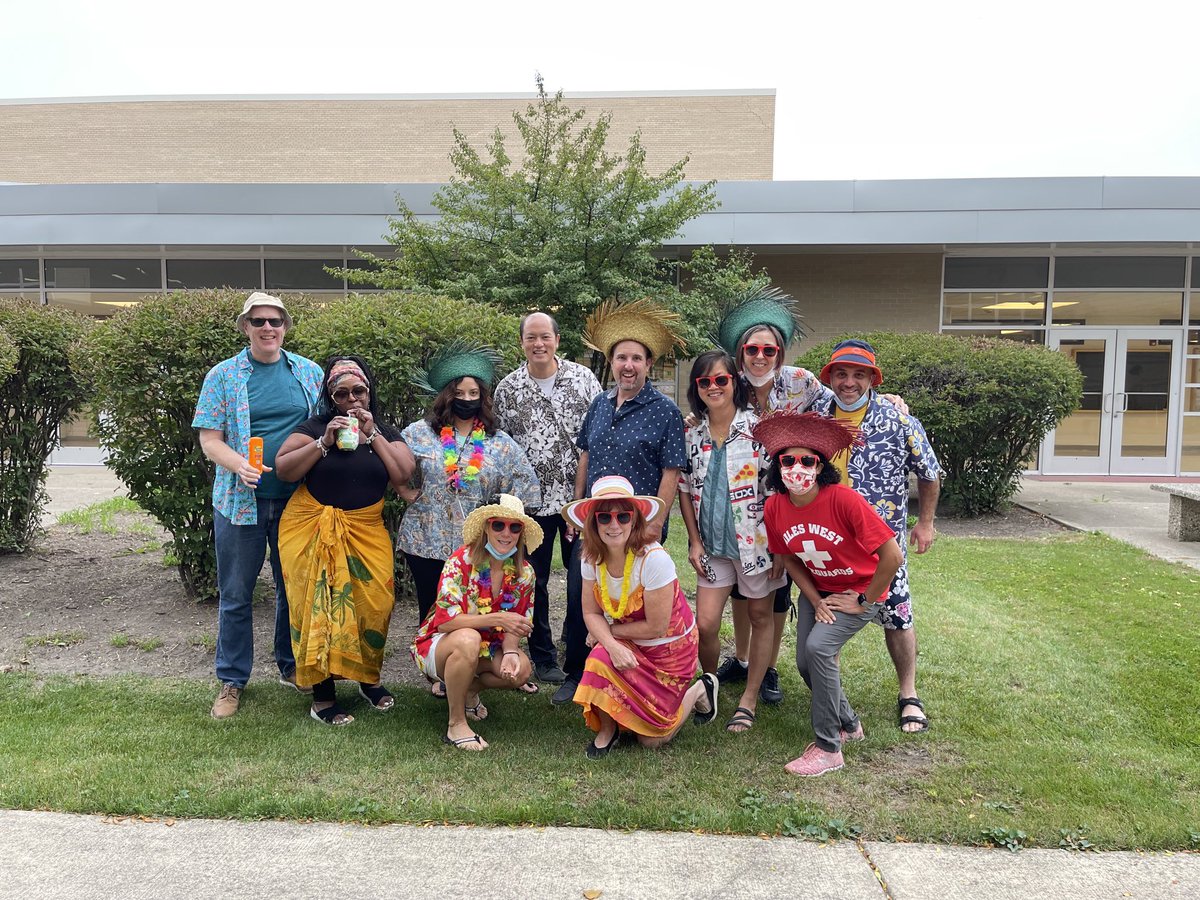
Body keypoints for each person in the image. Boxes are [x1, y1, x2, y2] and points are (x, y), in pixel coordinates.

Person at [711, 287, 907, 706]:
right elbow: (709, 410)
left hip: (792, 497)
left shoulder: (800, 382)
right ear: (741, 351)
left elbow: (843, 399)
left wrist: (885, 400)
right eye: (752, 348)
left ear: (780, 353)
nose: (760, 356)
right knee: (746, 590)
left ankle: (770, 668)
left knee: (776, 587)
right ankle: (745, 660)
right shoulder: (732, 384)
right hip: (743, 503)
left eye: (769, 349)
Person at [193, 292, 323, 720]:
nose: (268, 328)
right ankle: (231, 679)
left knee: (294, 588)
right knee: (235, 594)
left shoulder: (308, 372)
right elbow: (209, 440)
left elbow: (322, 426)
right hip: (239, 503)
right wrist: (240, 466)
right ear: (245, 327)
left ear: (285, 326)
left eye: (275, 321)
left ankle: (290, 665)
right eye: (259, 321)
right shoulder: (223, 376)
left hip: (297, 502)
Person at [752, 411, 904, 777]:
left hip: (859, 592)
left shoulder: (843, 500)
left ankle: (828, 747)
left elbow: (893, 556)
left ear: (820, 467)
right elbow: (788, 558)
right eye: (788, 460)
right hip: (819, 592)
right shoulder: (775, 507)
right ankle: (850, 723)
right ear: (778, 466)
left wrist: (865, 599)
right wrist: (815, 599)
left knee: (819, 649)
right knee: (806, 662)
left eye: (808, 460)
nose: (797, 468)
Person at [553, 299, 687, 706]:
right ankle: (578, 672)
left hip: (634, 524)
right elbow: (585, 457)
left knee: (633, 603)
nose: (628, 365)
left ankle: (638, 676)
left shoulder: (665, 411)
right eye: (621, 358)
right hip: (595, 521)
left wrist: (653, 524)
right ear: (611, 363)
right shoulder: (599, 404)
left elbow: (671, 471)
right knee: (584, 595)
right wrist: (577, 509)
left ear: (649, 364)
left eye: (636, 358)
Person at [274, 355, 414, 725]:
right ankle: (323, 697)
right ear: (331, 397)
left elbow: (404, 473)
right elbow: (284, 468)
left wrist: (373, 436)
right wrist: (324, 442)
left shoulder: (382, 429)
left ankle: (368, 680)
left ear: (369, 392)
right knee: (320, 608)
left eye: (359, 391)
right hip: (314, 529)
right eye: (342, 394)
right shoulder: (315, 426)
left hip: (365, 531)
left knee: (375, 604)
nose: (352, 399)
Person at [811, 339, 942, 732]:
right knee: (827, 615)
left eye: (858, 374)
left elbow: (929, 472)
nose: (848, 382)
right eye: (841, 373)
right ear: (830, 376)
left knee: (897, 616)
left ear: (872, 378)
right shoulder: (816, 414)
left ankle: (909, 694)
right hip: (827, 542)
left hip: (882, 543)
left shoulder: (896, 418)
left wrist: (925, 523)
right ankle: (835, 702)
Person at [397, 342, 540, 695]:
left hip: (477, 546)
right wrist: (403, 489)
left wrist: (502, 519)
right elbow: (393, 466)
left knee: (478, 610)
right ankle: (439, 677)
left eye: (474, 392)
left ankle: (474, 674)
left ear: (483, 397)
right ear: (446, 395)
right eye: (459, 392)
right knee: (434, 610)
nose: (466, 397)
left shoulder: (500, 442)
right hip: (425, 539)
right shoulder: (418, 433)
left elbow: (525, 488)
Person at [562, 476, 715, 757]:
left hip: (669, 650)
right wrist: (607, 641)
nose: (614, 524)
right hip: (630, 640)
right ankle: (609, 731)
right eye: (604, 517)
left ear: (635, 520)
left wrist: (606, 632)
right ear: (593, 522)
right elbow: (589, 611)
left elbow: (656, 627)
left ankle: (698, 691)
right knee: (599, 656)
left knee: (652, 740)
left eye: (623, 515)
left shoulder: (654, 559)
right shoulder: (589, 558)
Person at [678, 349, 785, 733]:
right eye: (704, 381)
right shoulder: (691, 432)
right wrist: (693, 541)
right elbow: (685, 490)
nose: (713, 387)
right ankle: (710, 686)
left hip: (756, 546)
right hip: (712, 548)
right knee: (705, 625)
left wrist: (780, 549)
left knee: (760, 616)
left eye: (721, 379)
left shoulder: (760, 430)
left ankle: (749, 699)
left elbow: (777, 493)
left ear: (734, 382)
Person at [493, 312, 602, 685]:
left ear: (557, 340)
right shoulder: (508, 388)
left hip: (577, 501)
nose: (538, 344)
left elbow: (596, 437)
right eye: (530, 338)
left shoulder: (584, 379)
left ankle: (578, 651)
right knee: (532, 579)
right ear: (522, 342)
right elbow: (502, 447)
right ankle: (541, 654)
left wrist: (587, 498)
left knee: (581, 579)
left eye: (545, 337)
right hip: (530, 505)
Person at [411, 494, 542, 750]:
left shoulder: (525, 573)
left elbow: (516, 622)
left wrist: (512, 651)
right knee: (469, 638)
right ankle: (455, 724)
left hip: (489, 646)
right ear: (486, 528)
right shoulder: (460, 562)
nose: (506, 533)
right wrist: (498, 618)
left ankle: (469, 688)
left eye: (515, 527)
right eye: (498, 525)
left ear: (521, 533)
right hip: (442, 643)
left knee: (521, 671)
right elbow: (446, 622)